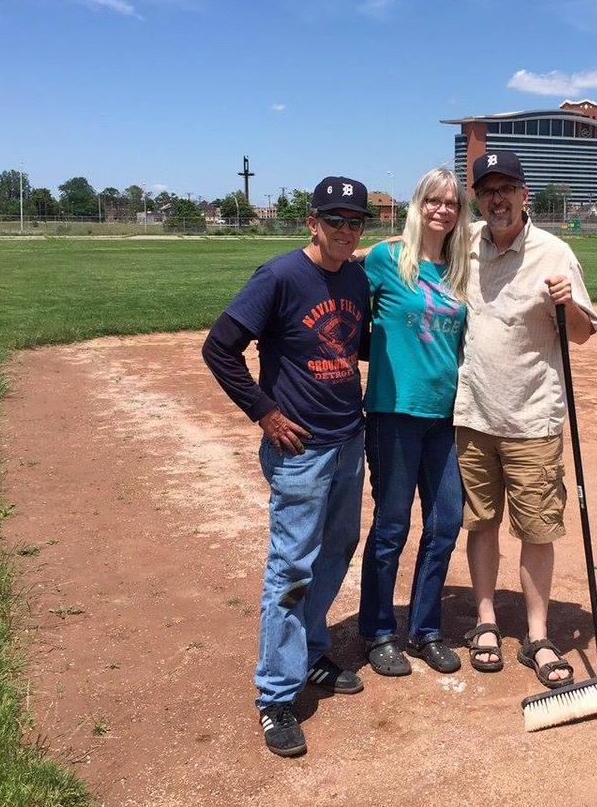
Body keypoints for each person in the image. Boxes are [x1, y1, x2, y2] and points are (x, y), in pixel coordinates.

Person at [201, 176, 372, 758]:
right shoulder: (279, 276)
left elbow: (356, 344)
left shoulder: (354, 276)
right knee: (292, 566)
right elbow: (219, 346)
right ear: (312, 222)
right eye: (336, 220)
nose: (346, 231)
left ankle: (311, 652)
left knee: (336, 549)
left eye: (355, 222)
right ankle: (275, 696)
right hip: (300, 448)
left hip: (349, 438)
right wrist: (264, 412)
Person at [455, 151, 597, 689]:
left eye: (506, 189)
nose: (497, 199)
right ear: (479, 198)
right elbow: (412, 240)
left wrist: (568, 306)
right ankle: (486, 621)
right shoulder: (465, 244)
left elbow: (583, 334)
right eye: (487, 190)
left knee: (537, 529)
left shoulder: (555, 254)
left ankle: (537, 636)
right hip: (473, 415)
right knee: (481, 522)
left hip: (534, 419)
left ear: (524, 194)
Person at [356, 167, 472, 677]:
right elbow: (339, 290)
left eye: (452, 202)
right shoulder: (386, 260)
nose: (442, 209)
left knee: (446, 523)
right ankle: (378, 631)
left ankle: (425, 629)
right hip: (393, 414)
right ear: (418, 204)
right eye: (434, 200)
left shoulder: (461, 269)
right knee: (392, 526)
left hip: (445, 417)